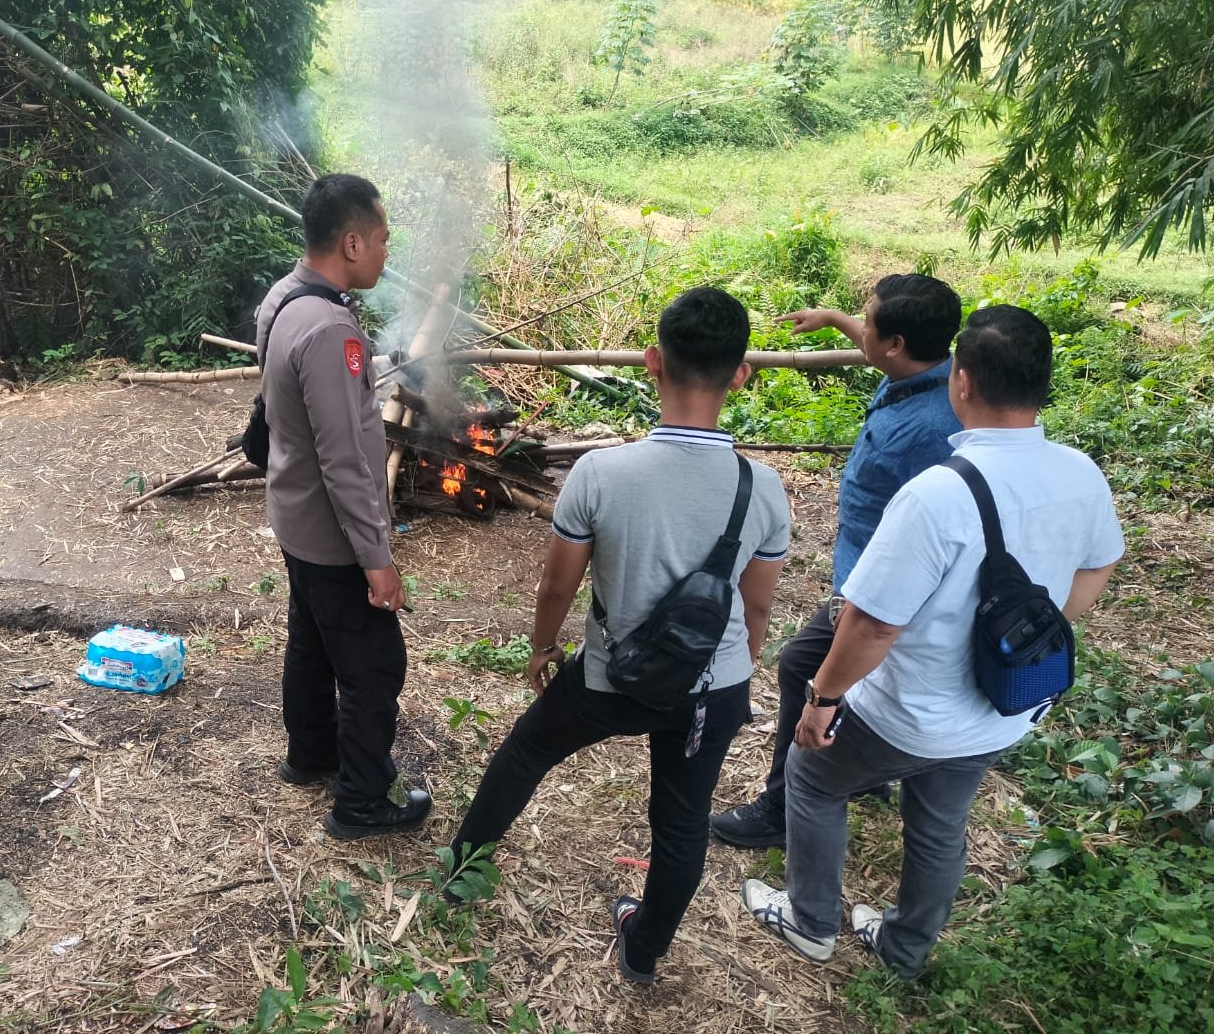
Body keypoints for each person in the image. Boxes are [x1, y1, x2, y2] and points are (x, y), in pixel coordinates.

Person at [740, 305, 1123, 978]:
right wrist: (1030, 640)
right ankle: (905, 948)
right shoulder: (1080, 473)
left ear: (963, 381)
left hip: (910, 712)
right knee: (941, 821)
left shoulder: (937, 497)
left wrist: (823, 699)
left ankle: (810, 922)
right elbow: (1099, 564)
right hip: (1000, 709)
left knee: (813, 779)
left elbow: (873, 623)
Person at [448, 286, 791, 985]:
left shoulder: (600, 473)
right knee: (683, 821)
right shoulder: (764, 489)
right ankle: (643, 951)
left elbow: (557, 587)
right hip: (709, 689)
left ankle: (460, 876)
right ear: (741, 374)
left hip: (611, 678)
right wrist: (734, 671)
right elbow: (756, 611)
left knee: (524, 753)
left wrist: (545, 648)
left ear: (651, 362)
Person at [710, 274, 963, 848]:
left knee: (802, 668)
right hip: (862, 571)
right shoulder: (924, 375)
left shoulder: (935, 430)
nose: (860, 326)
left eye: (865, 321)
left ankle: (779, 811)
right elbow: (877, 345)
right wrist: (832, 318)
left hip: (876, 585)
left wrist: (877, 600)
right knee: (848, 672)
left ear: (895, 343)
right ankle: (860, 771)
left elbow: (929, 531)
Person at [256, 173, 429, 840]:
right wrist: (376, 558)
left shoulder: (285, 297)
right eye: (382, 240)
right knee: (374, 665)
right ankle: (361, 801)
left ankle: (311, 754)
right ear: (351, 243)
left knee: (311, 640)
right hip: (330, 533)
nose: (387, 253)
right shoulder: (330, 329)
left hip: (293, 514)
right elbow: (346, 462)